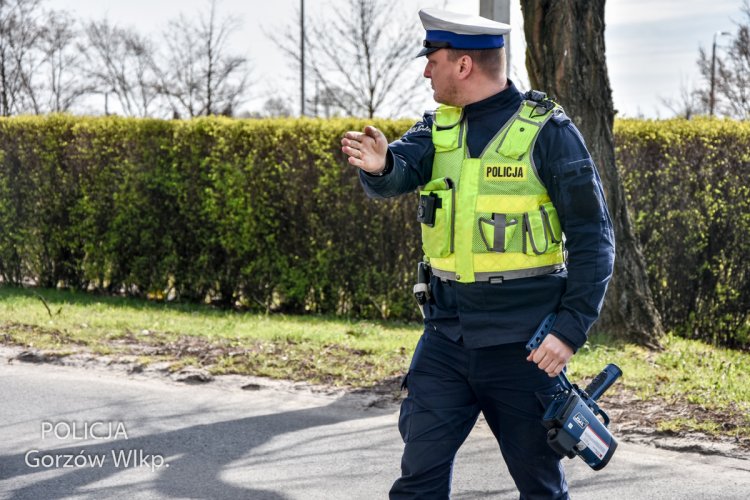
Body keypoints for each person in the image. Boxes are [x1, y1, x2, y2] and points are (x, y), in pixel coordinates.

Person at [341, 8, 615, 500]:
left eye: (433, 59)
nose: (426, 70)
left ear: (462, 65)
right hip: (446, 338)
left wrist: (570, 330)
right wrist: (381, 166)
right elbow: (399, 171)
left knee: (541, 488)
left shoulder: (549, 132)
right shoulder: (440, 127)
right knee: (417, 481)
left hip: (525, 348)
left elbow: (594, 237)